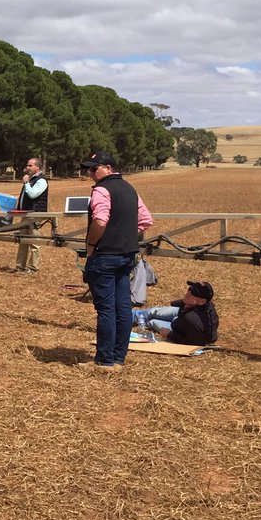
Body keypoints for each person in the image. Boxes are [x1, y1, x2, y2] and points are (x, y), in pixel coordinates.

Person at [81, 151, 154, 372]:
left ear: (108, 168)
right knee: (123, 308)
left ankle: (104, 361)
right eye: (89, 169)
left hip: (104, 255)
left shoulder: (101, 190)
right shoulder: (130, 189)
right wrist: (124, 234)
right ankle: (118, 359)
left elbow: (100, 222)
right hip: (126, 255)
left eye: (94, 168)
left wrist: (91, 244)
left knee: (106, 309)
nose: (90, 173)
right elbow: (146, 220)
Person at [133, 280, 219, 346]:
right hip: (182, 317)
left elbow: (199, 342)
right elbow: (183, 303)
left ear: (202, 301)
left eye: (194, 293)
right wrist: (177, 303)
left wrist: (169, 334)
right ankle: (128, 316)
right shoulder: (200, 303)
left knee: (153, 322)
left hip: (184, 329)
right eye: (190, 289)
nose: (188, 293)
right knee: (153, 311)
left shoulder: (193, 320)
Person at [14, 157, 49, 273]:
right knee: (22, 240)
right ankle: (20, 267)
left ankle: (33, 268)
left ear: (37, 167)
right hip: (26, 214)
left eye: (30, 165)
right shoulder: (31, 179)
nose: (27, 167)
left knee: (34, 242)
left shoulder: (41, 180)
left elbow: (33, 194)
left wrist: (26, 183)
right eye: (27, 165)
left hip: (35, 215)